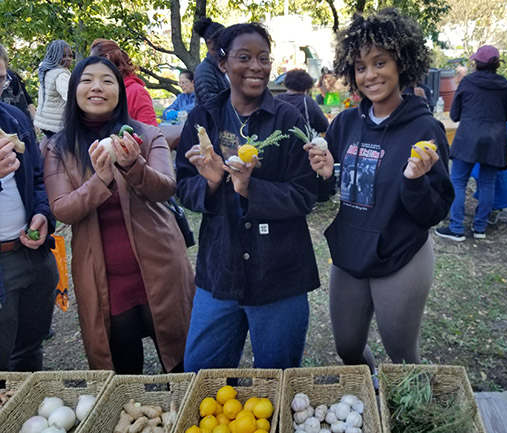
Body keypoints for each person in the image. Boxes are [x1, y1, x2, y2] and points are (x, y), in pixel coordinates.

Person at [304, 8, 454, 374]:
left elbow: (435, 212)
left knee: (401, 355)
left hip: (400, 255)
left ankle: (413, 416)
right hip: (351, 252)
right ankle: (372, 392)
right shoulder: (346, 122)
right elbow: (327, 188)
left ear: (401, 63)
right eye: (360, 66)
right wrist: (324, 174)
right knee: (348, 348)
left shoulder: (425, 128)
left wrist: (414, 181)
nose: (369, 75)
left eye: (380, 62)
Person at [176, 23, 320, 371]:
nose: (256, 67)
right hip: (219, 271)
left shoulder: (288, 119)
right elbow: (183, 185)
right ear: (223, 63)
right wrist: (210, 183)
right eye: (244, 57)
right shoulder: (202, 117)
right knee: (201, 374)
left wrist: (249, 188)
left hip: (279, 275)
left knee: (278, 377)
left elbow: (305, 195)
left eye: (263, 58)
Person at [42, 56, 195, 373]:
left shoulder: (146, 136)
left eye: (107, 81)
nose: (97, 87)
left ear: (120, 92)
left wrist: (132, 164)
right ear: (74, 91)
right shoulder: (58, 147)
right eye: (87, 80)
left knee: (182, 364)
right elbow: (62, 209)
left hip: (161, 268)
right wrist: (100, 180)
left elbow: (165, 188)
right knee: (123, 373)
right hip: (104, 279)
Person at [0, 44, 59, 372]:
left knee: (29, 353)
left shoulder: (15, 118)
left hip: (32, 257)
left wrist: (42, 214)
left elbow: (38, 179)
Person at [435, 45, 507, 241]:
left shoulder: (467, 83)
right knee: (487, 184)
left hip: (467, 140)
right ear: (496, 65)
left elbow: (456, 115)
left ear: (477, 63)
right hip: (494, 142)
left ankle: (456, 228)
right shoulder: (505, 86)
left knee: (458, 181)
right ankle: (480, 228)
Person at [89, 39, 157, 127]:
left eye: (92, 60)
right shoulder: (98, 92)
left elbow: (149, 132)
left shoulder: (136, 92)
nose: (89, 66)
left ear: (107, 59)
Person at [34, 40, 73, 138]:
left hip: (44, 122)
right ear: (55, 55)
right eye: (64, 56)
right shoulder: (61, 75)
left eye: (71, 56)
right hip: (57, 125)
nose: (69, 59)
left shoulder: (46, 70)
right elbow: (70, 97)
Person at [275, 68, 328, 134]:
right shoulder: (308, 102)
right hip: (302, 142)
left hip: (277, 140)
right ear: (307, 87)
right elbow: (324, 126)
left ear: (286, 84)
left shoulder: (276, 99)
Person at [192, 17, 229, 111]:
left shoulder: (224, 66)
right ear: (209, 43)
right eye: (221, 42)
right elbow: (212, 107)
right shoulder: (204, 71)